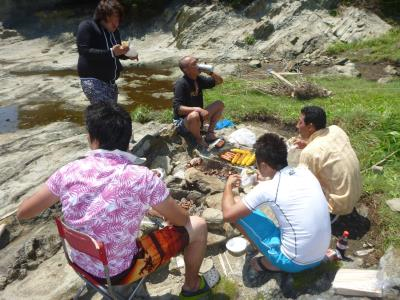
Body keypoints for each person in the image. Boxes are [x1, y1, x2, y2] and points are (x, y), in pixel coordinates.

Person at [17, 103, 210, 299]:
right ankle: (192, 288)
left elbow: (24, 212)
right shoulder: (142, 178)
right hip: (120, 272)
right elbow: (182, 221)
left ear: (92, 139)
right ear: (127, 141)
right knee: (198, 225)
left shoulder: (69, 170)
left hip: (80, 263)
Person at [222, 133, 331, 273]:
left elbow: (228, 214)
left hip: (295, 263)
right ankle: (279, 255)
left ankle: (272, 262)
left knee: (236, 203)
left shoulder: (267, 188)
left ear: (264, 165)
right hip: (320, 254)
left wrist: (228, 186)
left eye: (257, 164)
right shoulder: (305, 172)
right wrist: (268, 178)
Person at [294, 106, 362, 216]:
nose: (297, 126)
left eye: (300, 122)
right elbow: (328, 150)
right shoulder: (336, 130)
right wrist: (308, 144)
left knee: (297, 187)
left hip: (338, 206)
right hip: (355, 194)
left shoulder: (309, 153)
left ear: (310, 127)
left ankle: (323, 214)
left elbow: (301, 184)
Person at [77, 0, 138, 104]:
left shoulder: (115, 31)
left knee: (110, 116)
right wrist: (112, 52)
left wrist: (128, 55)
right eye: (114, 16)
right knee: (107, 114)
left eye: (118, 17)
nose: (117, 22)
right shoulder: (87, 26)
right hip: (92, 80)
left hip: (111, 83)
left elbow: (116, 53)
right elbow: (84, 51)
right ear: (104, 16)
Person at [173, 56, 224, 149]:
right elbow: (178, 109)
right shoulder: (181, 84)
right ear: (186, 70)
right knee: (194, 115)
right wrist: (198, 109)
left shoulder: (198, 79)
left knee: (219, 104)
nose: (198, 66)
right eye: (194, 64)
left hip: (197, 117)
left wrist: (210, 72)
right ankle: (199, 139)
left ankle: (210, 133)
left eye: (197, 63)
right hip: (182, 122)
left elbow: (219, 81)